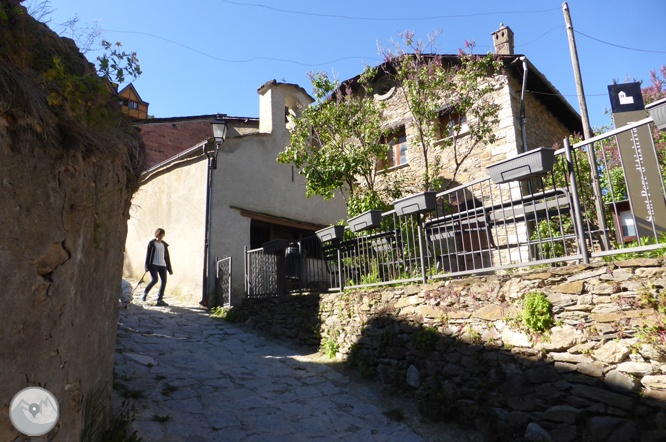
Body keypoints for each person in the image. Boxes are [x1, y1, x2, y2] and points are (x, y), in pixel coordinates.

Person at [142, 228, 173, 306]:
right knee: (155, 280)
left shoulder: (164, 245)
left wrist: (169, 268)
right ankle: (145, 293)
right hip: (154, 265)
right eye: (160, 235)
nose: (161, 237)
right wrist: (147, 267)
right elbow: (148, 256)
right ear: (157, 235)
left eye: (162, 236)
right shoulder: (152, 244)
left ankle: (160, 299)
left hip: (163, 265)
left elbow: (167, 257)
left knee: (164, 282)